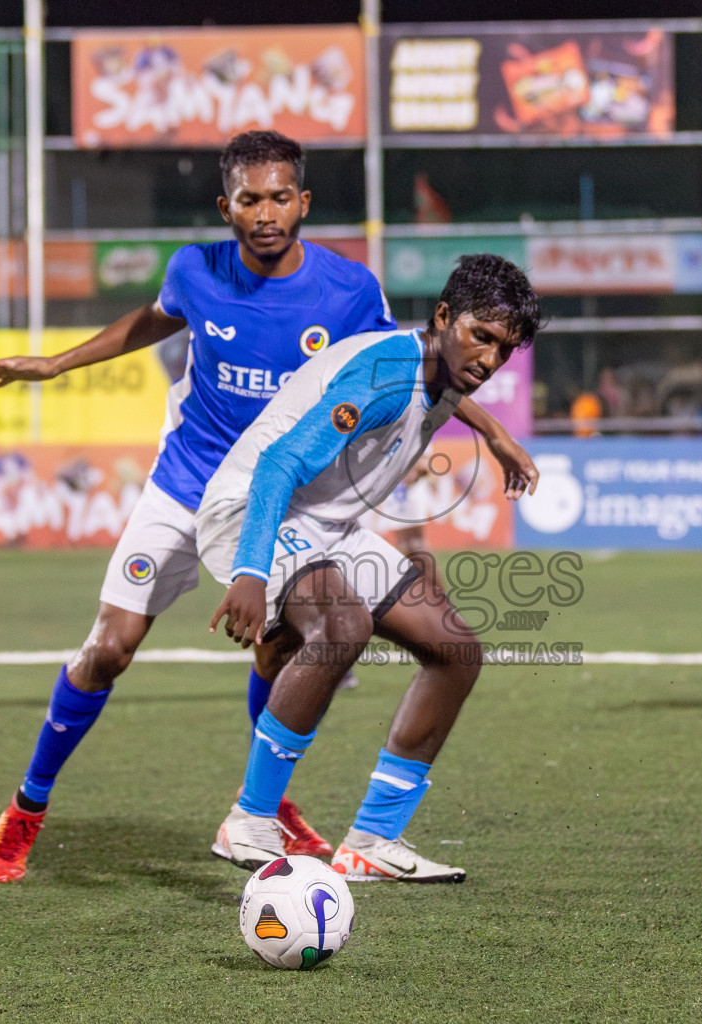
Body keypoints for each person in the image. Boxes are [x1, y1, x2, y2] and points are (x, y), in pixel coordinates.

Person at [0, 131, 536, 883]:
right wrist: (57, 363)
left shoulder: (352, 294)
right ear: (226, 206)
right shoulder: (195, 272)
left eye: (278, 197)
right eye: (248, 199)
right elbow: (160, 324)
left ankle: (320, 824)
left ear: (303, 203)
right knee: (112, 649)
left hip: (301, 498)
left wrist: (491, 431)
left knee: (376, 643)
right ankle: (32, 806)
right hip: (207, 487)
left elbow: (412, 373)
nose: (264, 213)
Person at [201, 253, 541, 882]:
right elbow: (278, 466)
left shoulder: (441, 371)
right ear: (443, 317)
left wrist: (494, 433)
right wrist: (251, 572)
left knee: (456, 650)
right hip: (254, 509)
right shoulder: (384, 378)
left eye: (506, 349)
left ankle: (373, 840)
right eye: (481, 337)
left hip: (328, 524)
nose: (490, 361)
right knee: (343, 629)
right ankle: (247, 821)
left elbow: (440, 384)